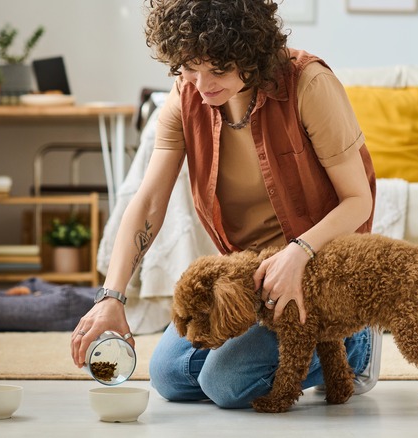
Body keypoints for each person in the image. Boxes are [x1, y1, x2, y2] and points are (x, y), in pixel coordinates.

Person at [71, 0, 381, 409]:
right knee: (170, 375)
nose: (200, 85)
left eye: (217, 69)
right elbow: (147, 202)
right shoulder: (186, 96)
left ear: (251, 51)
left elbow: (358, 201)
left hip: (320, 272)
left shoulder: (308, 84)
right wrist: (112, 295)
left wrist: (298, 252)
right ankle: (276, 351)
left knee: (224, 383)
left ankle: (356, 346)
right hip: (250, 281)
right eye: (188, 68)